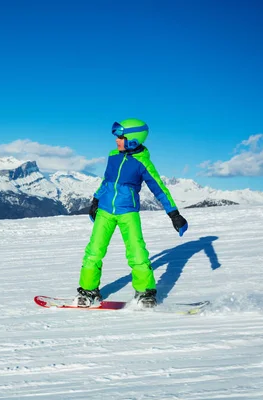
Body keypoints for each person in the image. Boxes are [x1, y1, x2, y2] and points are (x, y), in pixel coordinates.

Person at [74, 118, 188, 308]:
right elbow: (106, 181)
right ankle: (88, 291)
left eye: (120, 137)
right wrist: (95, 200)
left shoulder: (143, 163)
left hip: (128, 212)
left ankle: (145, 293)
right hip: (105, 211)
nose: (116, 141)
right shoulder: (113, 156)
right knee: (93, 251)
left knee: (136, 252)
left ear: (133, 139)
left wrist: (174, 214)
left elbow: (159, 190)